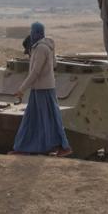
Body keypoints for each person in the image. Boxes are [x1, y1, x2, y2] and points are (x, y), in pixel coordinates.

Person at [11, 22, 72, 157]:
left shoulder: (40, 48)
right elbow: (54, 64)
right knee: (33, 118)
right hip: (41, 88)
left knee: (49, 119)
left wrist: (22, 89)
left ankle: (63, 146)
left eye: (33, 31)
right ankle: (23, 147)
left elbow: (35, 72)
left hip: (43, 89)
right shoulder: (46, 46)